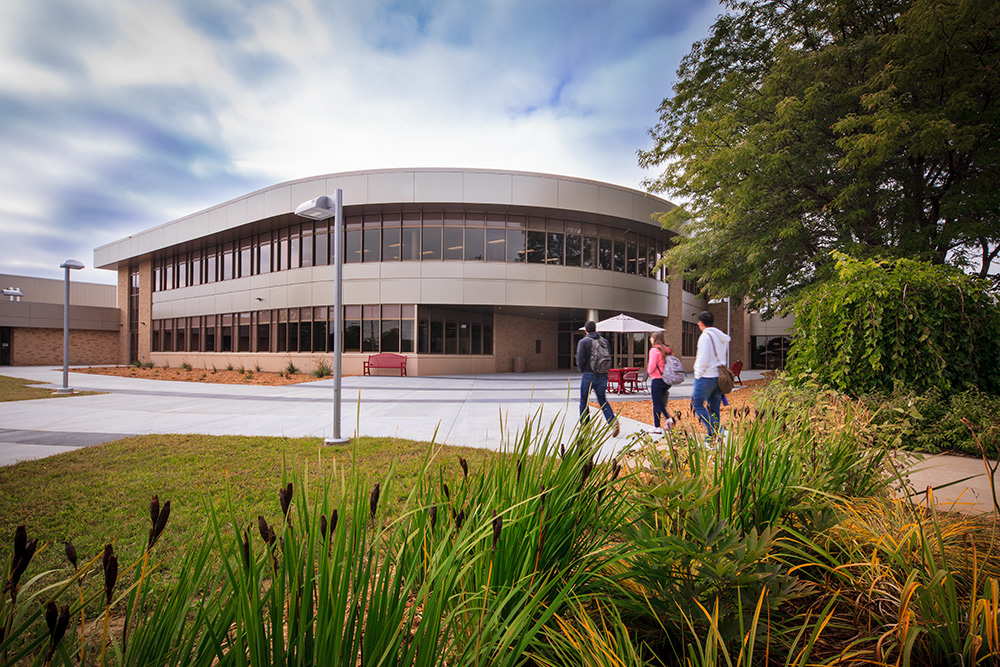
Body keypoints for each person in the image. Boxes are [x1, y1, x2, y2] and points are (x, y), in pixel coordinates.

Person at [576, 321, 619, 437]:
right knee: (602, 400)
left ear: (586, 330)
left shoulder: (583, 342)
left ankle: (585, 426)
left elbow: (580, 359)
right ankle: (612, 422)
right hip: (602, 375)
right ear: (595, 329)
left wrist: (583, 370)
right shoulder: (604, 341)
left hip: (588, 375)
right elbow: (609, 355)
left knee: (584, 400)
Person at [692, 310, 731, 438]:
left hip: (706, 376)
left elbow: (703, 359)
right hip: (719, 377)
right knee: (714, 408)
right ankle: (713, 437)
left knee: (697, 404)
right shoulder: (720, 337)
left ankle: (713, 431)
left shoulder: (705, 336)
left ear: (701, 323)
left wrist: (698, 374)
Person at [646, 331, 675, 435]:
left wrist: (649, 372)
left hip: (657, 379)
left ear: (655, 339)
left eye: (651, 338)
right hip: (667, 380)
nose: (650, 339)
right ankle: (668, 419)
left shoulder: (654, 350)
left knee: (656, 403)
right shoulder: (667, 350)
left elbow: (652, 365)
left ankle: (657, 426)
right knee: (661, 402)